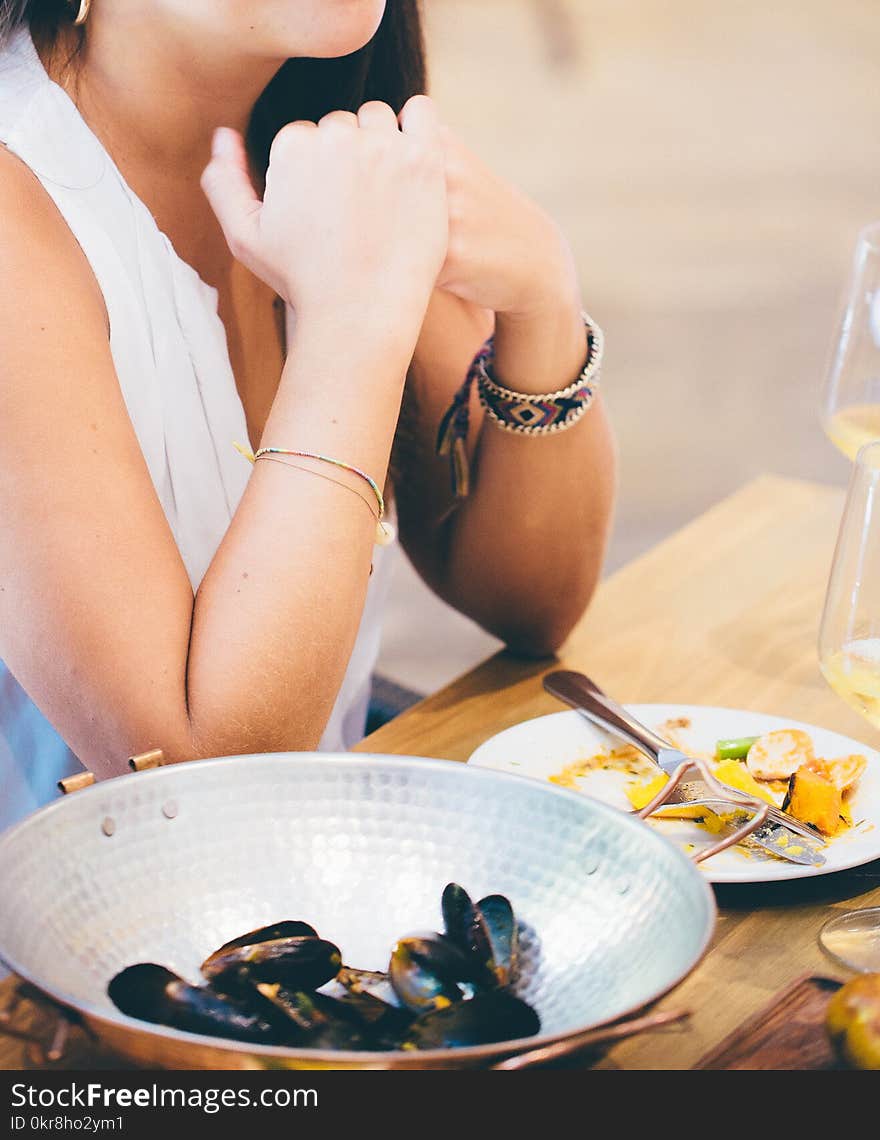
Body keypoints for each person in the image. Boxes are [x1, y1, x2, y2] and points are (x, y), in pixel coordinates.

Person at [0, 0, 616, 833]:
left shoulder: (321, 130)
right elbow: (198, 787)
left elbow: (529, 601)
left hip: (319, 873)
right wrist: (350, 327)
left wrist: (543, 304)